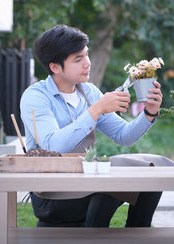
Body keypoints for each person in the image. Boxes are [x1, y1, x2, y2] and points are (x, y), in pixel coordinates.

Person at [20, 24, 163, 228]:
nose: (87, 63)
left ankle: (138, 237)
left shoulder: (89, 92)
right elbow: (53, 145)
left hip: (86, 182)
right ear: (55, 67)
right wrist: (95, 110)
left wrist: (149, 112)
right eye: (78, 59)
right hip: (51, 193)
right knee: (106, 192)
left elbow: (124, 136)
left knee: (150, 182)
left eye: (87, 55)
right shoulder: (35, 96)